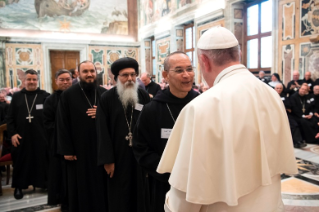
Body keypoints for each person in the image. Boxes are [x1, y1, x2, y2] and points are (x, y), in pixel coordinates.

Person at [157, 26, 297, 212]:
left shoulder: (201, 107)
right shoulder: (271, 94)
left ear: (204, 61)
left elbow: (186, 193)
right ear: (237, 54)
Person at [133, 51, 199, 212]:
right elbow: (141, 148)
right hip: (165, 183)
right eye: (179, 70)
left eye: (189, 69)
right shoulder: (152, 110)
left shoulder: (203, 103)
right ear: (165, 75)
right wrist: (171, 172)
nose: (186, 75)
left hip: (200, 180)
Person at [96, 57, 150, 212]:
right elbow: (102, 130)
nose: (130, 79)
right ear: (116, 78)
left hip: (140, 154)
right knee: (120, 193)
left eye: (133, 75)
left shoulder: (143, 96)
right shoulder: (106, 98)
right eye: (125, 75)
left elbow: (149, 125)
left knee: (140, 192)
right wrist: (108, 160)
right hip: (117, 156)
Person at [56, 61, 107, 212]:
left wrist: (101, 114)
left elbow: (114, 119)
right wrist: (67, 149)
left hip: (101, 148)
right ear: (78, 74)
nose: (89, 74)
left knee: (101, 184)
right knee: (81, 185)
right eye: (85, 71)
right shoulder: (68, 95)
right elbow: (62, 123)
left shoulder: (104, 93)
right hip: (78, 150)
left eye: (92, 71)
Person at [6, 69, 50, 200]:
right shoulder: (17, 97)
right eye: (29, 79)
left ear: (37, 80)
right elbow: (10, 118)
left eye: (34, 79)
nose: (31, 82)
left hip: (41, 136)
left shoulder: (45, 96)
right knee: (21, 159)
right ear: (24, 81)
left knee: (42, 159)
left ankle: (44, 183)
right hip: (21, 136)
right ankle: (19, 186)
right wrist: (12, 134)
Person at [43, 69, 72, 210]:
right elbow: (47, 123)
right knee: (61, 175)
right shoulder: (50, 100)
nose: (65, 82)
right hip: (58, 144)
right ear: (56, 81)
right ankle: (63, 201)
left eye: (68, 79)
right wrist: (65, 129)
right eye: (62, 79)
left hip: (77, 143)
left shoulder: (76, 96)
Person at [275, 83, 306, 148]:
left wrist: (284, 107)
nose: (279, 89)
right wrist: (284, 107)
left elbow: (289, 106)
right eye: (277, 88)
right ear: (275, 89)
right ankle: (296, 141)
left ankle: (298, 141)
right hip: (275, 114)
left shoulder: (285, 96)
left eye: (280, 88)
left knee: (294, 124)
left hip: (285, 115)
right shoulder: (271, 96)